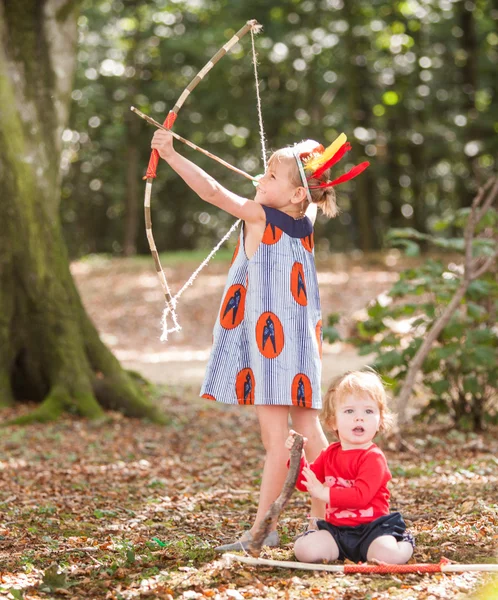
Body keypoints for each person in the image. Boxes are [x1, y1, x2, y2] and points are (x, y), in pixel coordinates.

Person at [151, 128, 368, 551]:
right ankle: (330, 522)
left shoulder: (260, 217)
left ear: (296, 195)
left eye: (270, 176)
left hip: (272, 352)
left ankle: (262, 532)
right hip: (301, 348)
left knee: (277, 443)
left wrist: (172, 155)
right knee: (308, 432)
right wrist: (289, 174)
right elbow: (298, 193)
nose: (258, 180)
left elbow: (213, 191)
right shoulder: (305, 222)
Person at [285, 370, 415, 564]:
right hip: (337, 531)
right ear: (332, 421)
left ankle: (405, 542)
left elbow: (360, 497)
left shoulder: (373, 458)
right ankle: (333, 550)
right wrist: (298, 456)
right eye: (349, 411)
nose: (359, 418)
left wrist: (324, 492)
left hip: (373, 530)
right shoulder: (329, 454)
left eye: (368, 411)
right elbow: (305, 484)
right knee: (305, 550)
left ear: (380, 419)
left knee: (389, 556)